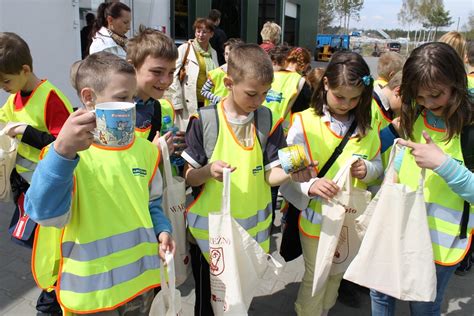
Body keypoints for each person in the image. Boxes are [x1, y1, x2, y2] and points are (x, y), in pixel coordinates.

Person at [24, 51, 175, 314]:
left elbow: (151, 203)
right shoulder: (64, 154)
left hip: (139, 288)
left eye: (132, 97)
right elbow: (43, 213)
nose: (131, 105)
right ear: (89, 98)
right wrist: (61, 151)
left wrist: (162, 230)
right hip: (91, 296)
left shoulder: (146, 152)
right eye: (122, 98)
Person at [183, 43, 315, 316]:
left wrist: (294, 173)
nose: (259, 101)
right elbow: (189, 178)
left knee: (240, 300)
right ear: (229, 83)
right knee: (208, 305)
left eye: (266, 93)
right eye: (252, 94)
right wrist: (207, 172)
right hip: (211, 240)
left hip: (251, 240)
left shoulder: (268, 119)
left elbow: (270, 175)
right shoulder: (205, 120)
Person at [370, 42, 474, 315]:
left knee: (423, 304)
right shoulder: (415, 113)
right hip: (398, 227)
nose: (428, 104)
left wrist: (444, 165)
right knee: (380, 293)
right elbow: (402, 157)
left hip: (441, 244)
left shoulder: (470, 129)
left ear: (457, 83)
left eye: (436, 95)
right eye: (420, 96)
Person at [287, 51, 382, 316]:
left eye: (354, 99)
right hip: (316, 218)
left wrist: (368, 170)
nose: (346, 104)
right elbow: (288, 169)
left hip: (350, 222)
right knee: (315, 276)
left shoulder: (368, 128)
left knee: (336, 274)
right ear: (326, 84)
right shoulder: (302, 122)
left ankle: (324, 311)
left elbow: (378, 170)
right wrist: (311, 185)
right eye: (340, 96)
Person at [0, 32, 73, 316]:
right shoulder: (16, 96)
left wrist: (24, 132)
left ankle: (53, 294)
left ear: (25, 70)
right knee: (37, 246)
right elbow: (4, 119)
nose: (3, 87)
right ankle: (51, 288)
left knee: (49, 248)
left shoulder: (50, 97)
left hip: (48, 191)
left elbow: (64, 145)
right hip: (27, 188)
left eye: (6, 80)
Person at [169, 18, 218, 130]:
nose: (200, 35)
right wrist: (177, 102)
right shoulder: (185, 48)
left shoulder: (213, 53)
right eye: (198, 31)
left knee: (204, 133)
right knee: (187, 133)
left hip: (207, 101)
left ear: (211, 34)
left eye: (204, 32)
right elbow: (173, 75)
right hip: (188, 100)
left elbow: (215, 77)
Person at [201, 38, 243, 106]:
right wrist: (217, 99)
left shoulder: (243, 73)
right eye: (226, 54)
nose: (228, 57)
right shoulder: (216, 73)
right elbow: (204, 91)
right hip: (218, 109)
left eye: (231, 54)